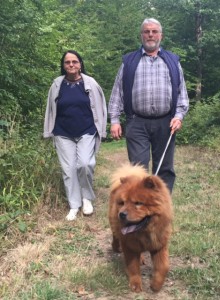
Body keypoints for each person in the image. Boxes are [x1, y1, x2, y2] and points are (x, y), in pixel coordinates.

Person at [108, 18, 189, 193]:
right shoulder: (128, 62)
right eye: (146, 31)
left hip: (166, 122)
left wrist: (178, 116)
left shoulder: (173, 61)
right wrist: (114, 120)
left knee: (164, 168)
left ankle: (161, 206)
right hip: (137, 123)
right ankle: (140, 205)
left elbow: (182, 93)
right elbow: (117, 93)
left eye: (154, 31)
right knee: (138, 169)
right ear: (141, 35)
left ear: (161, 35)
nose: (150, 34)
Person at [43, 50, 107, 221]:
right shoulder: (57, 84)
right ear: (63, 66)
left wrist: (102, 128)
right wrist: (48, 130)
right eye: (67, 62)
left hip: (86, 130)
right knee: (69, 169)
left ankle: (87, 198)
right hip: (63, 132)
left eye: (74, 61)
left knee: (85, 164)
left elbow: (101, 107)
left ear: (80, 64)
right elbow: (50, 109)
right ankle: (74, 205)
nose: (71, 65)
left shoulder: (90, 83)